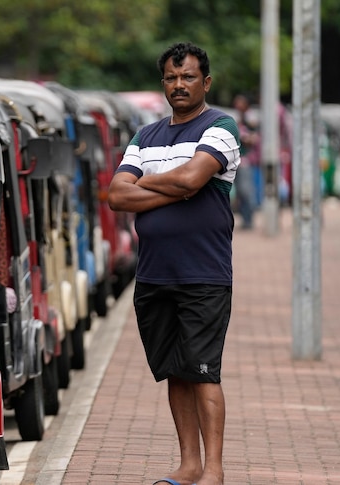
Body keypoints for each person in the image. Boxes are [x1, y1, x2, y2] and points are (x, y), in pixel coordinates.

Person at [107, 41, 240, 485]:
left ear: (206, 81)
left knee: (204, 372)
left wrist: (155, 182)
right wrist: (177, 185)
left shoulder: (221, 127)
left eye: (187, 77)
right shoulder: (145, 135)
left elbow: (193, 178)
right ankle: (188, 466)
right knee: (175, 374)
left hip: (204, 275)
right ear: (163, 82)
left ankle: (214, 471)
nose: (179, 85)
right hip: (153, 275)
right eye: (171, 77)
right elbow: (116, 195)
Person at [232, 93, 260, 229]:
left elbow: (254, 139)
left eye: (240, 102)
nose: (238, 105)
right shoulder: (238, 118)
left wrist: (245, 137)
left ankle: (249, 220)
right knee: (240, 192)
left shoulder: (251, 118)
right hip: (238, 159)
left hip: (247, 160)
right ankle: (245, 219)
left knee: (246, 190)